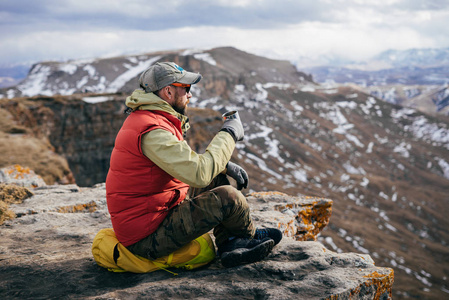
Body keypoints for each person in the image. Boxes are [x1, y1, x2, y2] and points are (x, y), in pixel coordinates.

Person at [106, 62, 282, 268]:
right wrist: (229, 133)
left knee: (218, 178)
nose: (190, 95)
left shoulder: (150, 119)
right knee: (229, 196)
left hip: (154, 214)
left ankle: (235, 241)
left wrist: (223, 166)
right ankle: (245, 236)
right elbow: (199, 174)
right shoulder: (152, 130)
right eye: (186, 89)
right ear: (168, 92)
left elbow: (181, 162)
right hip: (146, 238)